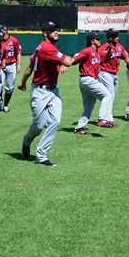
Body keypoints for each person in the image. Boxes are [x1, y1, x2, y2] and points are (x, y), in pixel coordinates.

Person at [18, 21, 74, 166]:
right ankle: (27, 140)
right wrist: (77, 57)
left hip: (53, 90)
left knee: (55, 121)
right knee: (39, 124)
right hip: (40, 91)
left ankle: (42, 155)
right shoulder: (47, 48)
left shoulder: (43, 47)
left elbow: (31, 67)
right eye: (52, 30)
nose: (56, 32)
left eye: (57, 29)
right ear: (45, 33)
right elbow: (67, 61)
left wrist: (23, 82)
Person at [72, 32, 114, 134]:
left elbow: (107, 56)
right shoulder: (87, 51)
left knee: (89, 106)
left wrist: (109, 52)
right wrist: (66, 64)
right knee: (107, 95)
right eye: (97, 39)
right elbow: (75, 59)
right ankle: (102, 119)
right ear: (92, 41)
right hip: (87, 79)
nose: (100, 40)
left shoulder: (97, 52)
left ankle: (79, 128)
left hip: (88, 80)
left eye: (99, 39)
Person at [97, 29, 129, 125]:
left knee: (112, 96)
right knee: (110, 95)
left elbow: (126, 57)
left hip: (115, 74)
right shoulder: (103, 48)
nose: (118, 38)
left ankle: (105, 117)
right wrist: (110, 50)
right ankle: (106, 118)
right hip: (105, 73)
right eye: (116, 36)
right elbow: (107, 55)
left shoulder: (119, 47)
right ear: (111, 38)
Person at [0, 25, 22, 113]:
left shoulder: (14, 40)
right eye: (2, 31)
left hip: (12, 65)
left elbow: (18, 53)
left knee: (9, 88)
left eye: (4, 31)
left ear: (7, 31)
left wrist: (19, 65)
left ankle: (5, 105)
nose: (3, 33)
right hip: (1, 66)